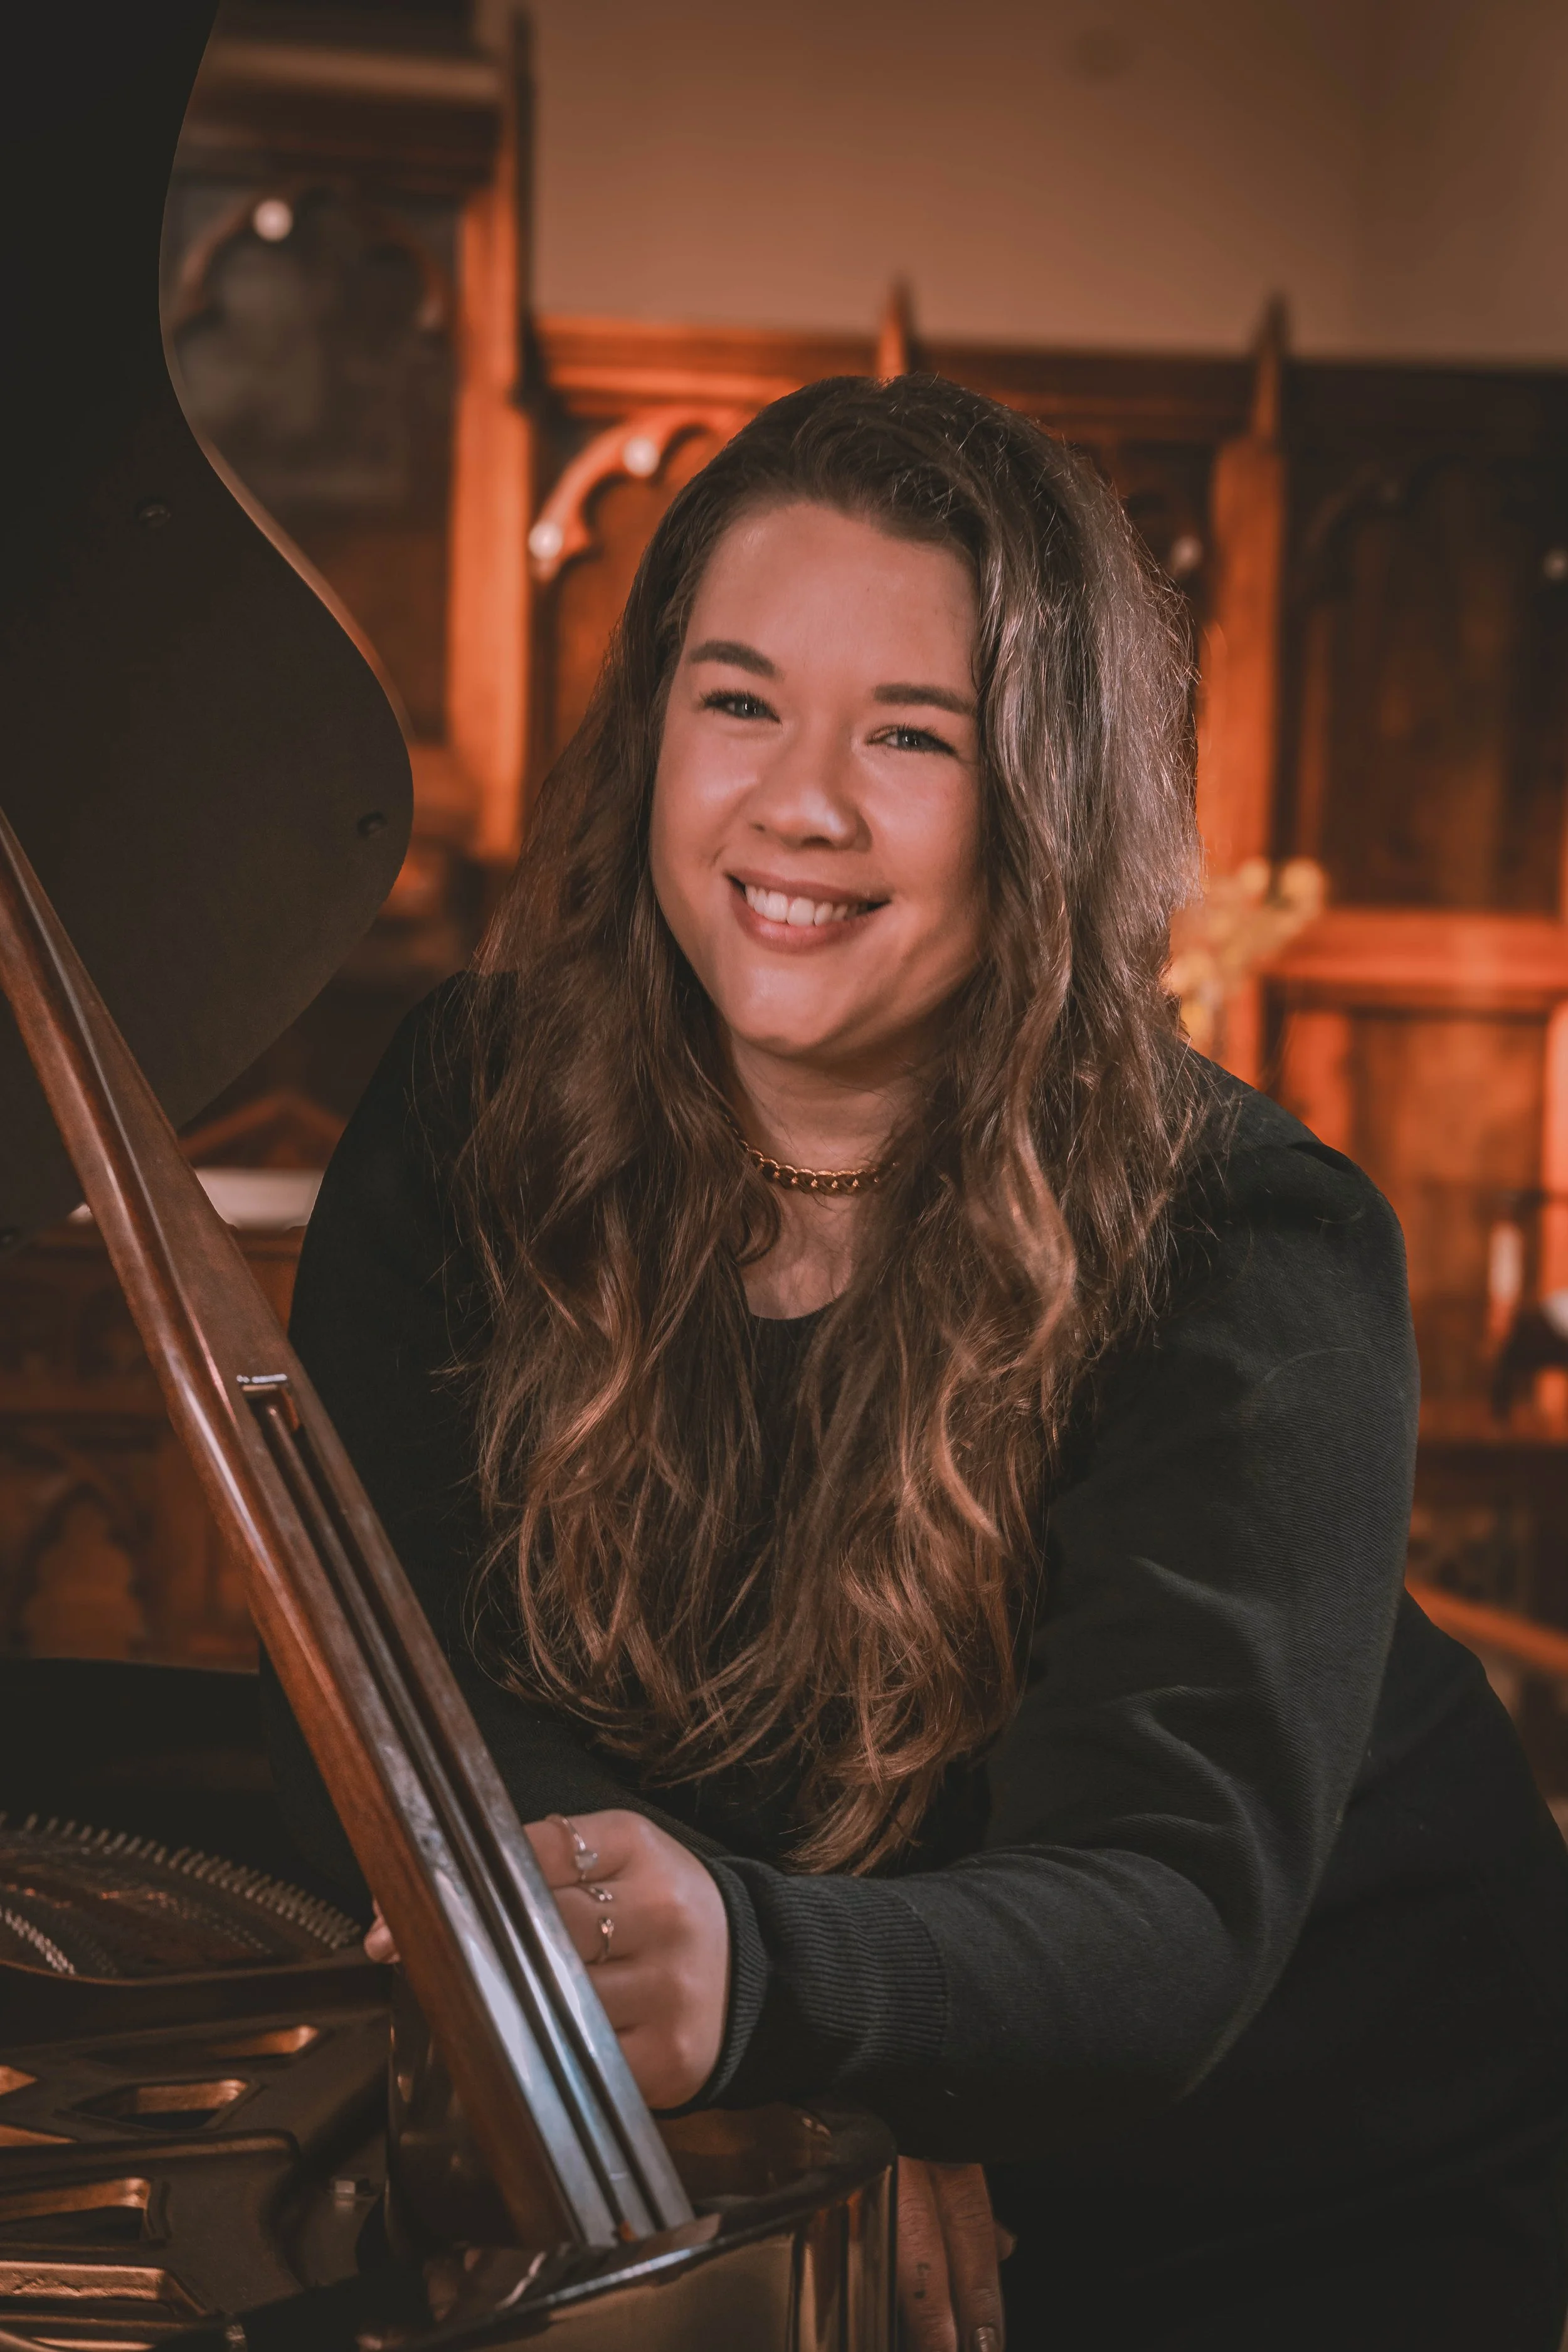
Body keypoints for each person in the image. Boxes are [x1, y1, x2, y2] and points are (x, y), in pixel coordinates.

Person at [268, 374, 1568, 2349]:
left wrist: (786, 1997)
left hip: (1311, 2170)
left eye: (912, 735)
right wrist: (816, 2079)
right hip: (825, 2083)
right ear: (649, 736)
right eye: (738, 700)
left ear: (1047, 798)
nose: (801, 800)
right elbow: (431, 1676)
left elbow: (1164, 1909)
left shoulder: (1249, 1241)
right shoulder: (466, 1105)